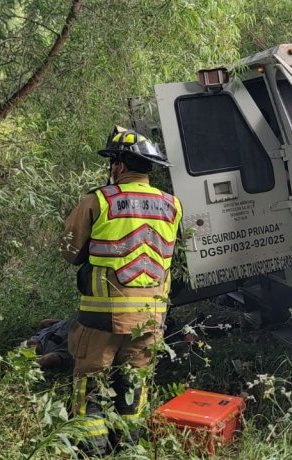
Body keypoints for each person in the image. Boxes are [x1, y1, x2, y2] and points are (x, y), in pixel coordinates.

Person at [61, 127, 182, 455]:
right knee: (133, 385)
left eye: (113, 163)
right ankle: (127, 449)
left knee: (90, 385)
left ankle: (91, 450)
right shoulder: (172, 205)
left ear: (119, 166)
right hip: (151, 319)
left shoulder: (98, 200)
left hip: (103, 317)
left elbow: (69, 251)